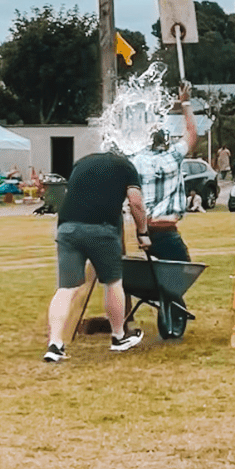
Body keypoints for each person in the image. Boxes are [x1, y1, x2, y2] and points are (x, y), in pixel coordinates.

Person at [43, 147, 150, 362]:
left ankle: (55, 344)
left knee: (66, 288)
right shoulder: (126, 166)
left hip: (67, 228)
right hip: (102, 229)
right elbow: (136, 203)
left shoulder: (81, 162)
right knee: (112, 282)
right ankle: (119, 336)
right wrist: (143, 232)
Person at [131, 82, 198, 264]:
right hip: (167, 231)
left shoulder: (136, 161)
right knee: (179, 279)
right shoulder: (173, 156)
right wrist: (185, 103)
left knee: (149, 282)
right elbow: (192, 133)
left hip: (144, 231)